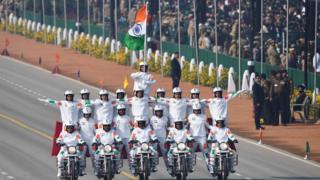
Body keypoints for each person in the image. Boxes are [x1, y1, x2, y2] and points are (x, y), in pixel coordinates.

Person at [78, 107, 97, 174]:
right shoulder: (80, 121)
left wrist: (96, 139)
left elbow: (96, 131)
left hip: (91, 140)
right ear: (83, 114)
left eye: (88, 114)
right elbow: (77, 131)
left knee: (94, 155)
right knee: (82, 155)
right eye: (85, 114)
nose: (87, 115)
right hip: (83, 140)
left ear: (90, 114)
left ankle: (95, 169)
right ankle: (82, 169)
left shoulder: (93, 121)